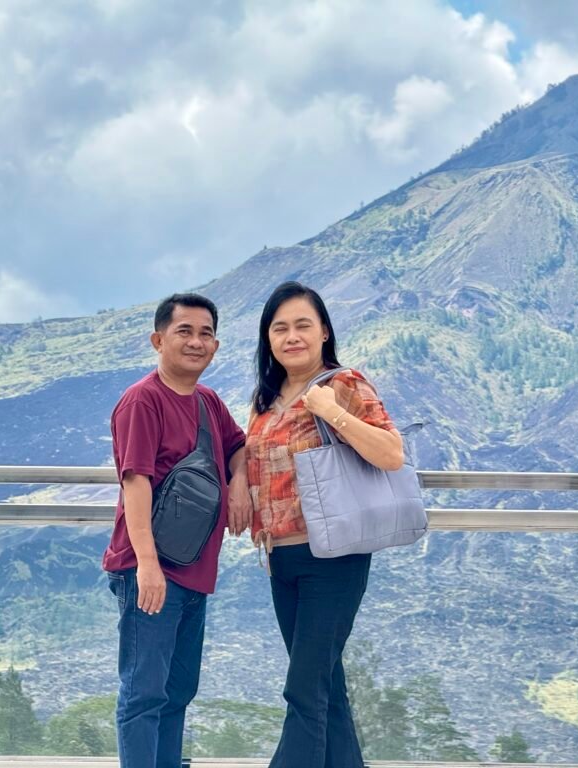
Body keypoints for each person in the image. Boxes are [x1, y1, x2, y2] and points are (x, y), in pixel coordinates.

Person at [246, 281, 403, 768]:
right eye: (280, 328)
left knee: (303, 691)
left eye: (302, 325)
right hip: (281, 559)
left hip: (333, 558)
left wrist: (331, 411)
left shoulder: (343, 384)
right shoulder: (266, 398)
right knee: (325, 690)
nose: (291, 336)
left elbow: (391, 453)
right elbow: (249, 455)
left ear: (324, 332)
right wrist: (234, 482)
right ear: (268, 338)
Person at [102, 293, 251, 768]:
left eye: (206, 334)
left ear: (216, 345)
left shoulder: (208, 402)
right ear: (158, 340)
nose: (196, 342)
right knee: (144, 692)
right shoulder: (142, 400)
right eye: (184, 331)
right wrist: (147, 566)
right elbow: (135, 483)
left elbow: (239, 447)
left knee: (178, 690)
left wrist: (239, 483)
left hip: (193, 571)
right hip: (149, 570)